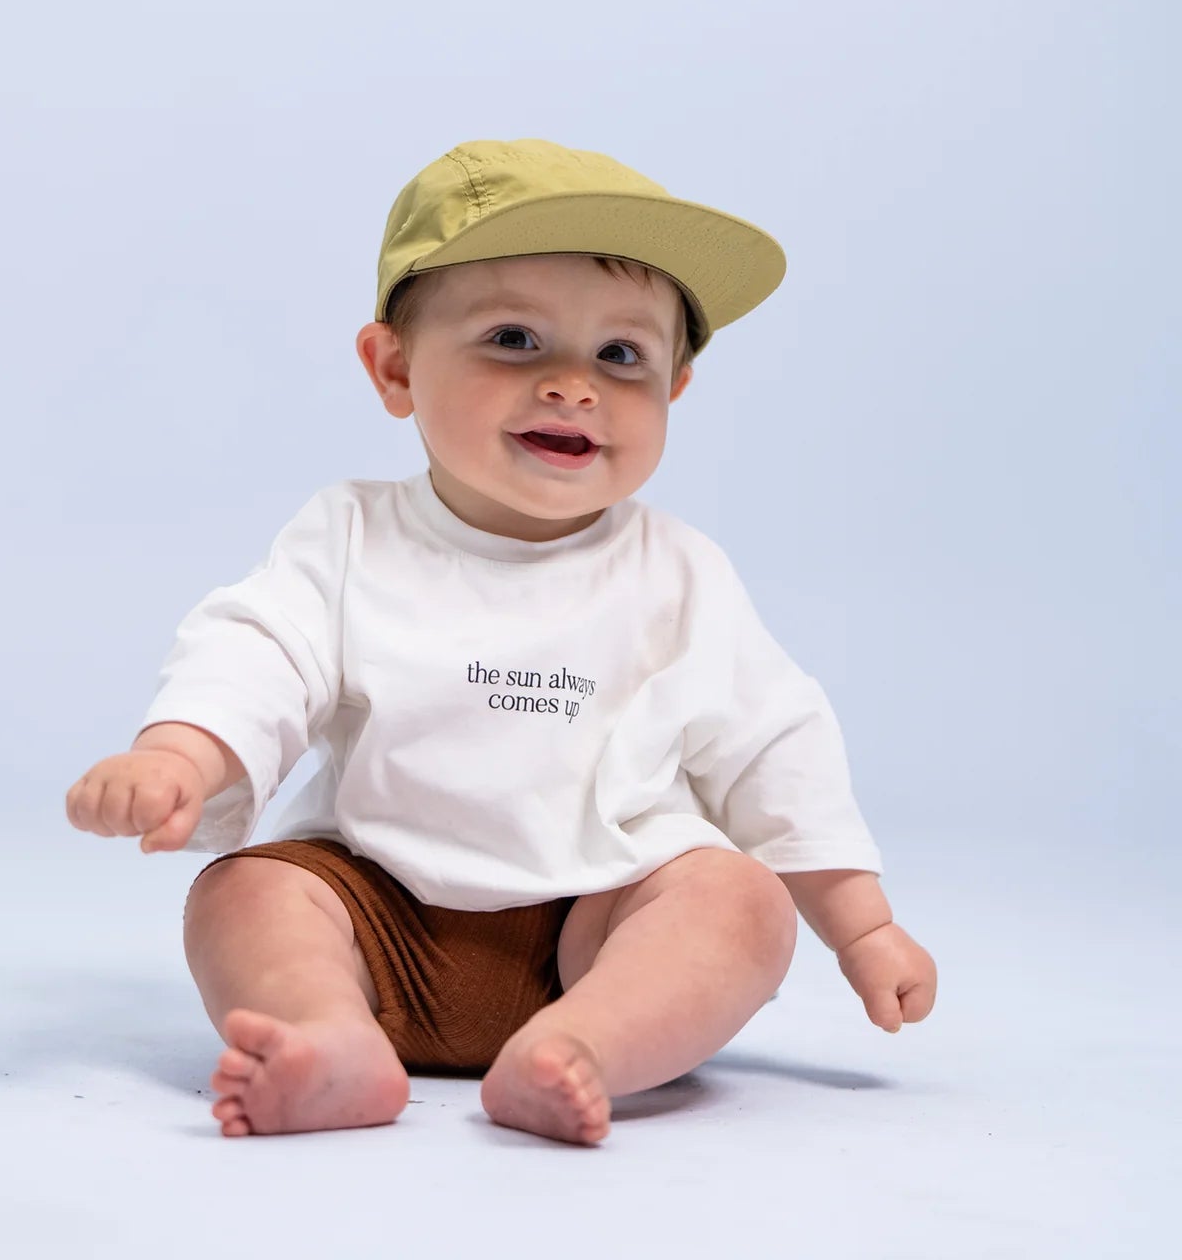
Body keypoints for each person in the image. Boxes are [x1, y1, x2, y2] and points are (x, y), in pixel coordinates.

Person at [66, 137, 937, 1146]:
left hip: (596, 924)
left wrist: (860, 924)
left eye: (621, 355)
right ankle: (330, 1036)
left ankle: (583, 1046)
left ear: (674, 390)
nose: (573, 384)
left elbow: (773, 746)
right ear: (393, 365)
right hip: (379, 912)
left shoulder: (678, 573)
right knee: (245, 890)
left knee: (734, 901)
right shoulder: (349, 535)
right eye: (515, 338)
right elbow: (259, 647)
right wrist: (181, 748)